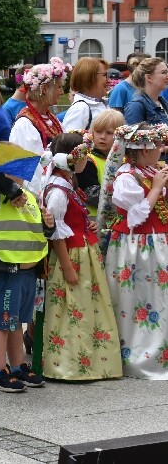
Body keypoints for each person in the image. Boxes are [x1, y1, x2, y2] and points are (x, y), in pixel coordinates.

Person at [40, 135, 122, 381]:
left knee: (85, 307)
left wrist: (89, 226)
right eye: (83, 156)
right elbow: (56, 233)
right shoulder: (57, 190)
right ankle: (70, 365)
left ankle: (93, 363)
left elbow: (71, 222)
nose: (86, 161)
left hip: (82, 251)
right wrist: (67, 267)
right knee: (72, 308)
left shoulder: (66, 183)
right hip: (72, 255)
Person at [0, 142, 54, 392]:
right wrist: (10, 188)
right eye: (15, 168)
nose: (21, 175)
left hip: (26, 267)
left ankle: (17, 365)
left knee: (17, 321)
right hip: (3, 266)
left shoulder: (27, 195)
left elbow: (38, 231)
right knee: (2, 321)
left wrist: (48, 225)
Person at [99, 123, 168, 379]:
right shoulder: (127, 176)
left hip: (155, 243)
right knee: (140, 298)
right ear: (144, 148)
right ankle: (138, 356)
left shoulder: (151, 170)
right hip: (137, 246)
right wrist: (157, 188)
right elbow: (135, 216)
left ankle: (160, 352)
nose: (161, 148)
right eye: (157, 144)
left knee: (158, 298)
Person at [10, 58, 70, 193]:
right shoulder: (25, 124)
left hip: (57, 190)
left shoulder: (52, 119)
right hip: (41, 197)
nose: (61, 92)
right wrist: (44, 198)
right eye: (58, 87)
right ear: (43, 89)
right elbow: (32, 172)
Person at [78, 109, 125, 217]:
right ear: (92, 133)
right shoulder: (87, 161)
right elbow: (91, 195)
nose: (103, 137)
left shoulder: (124, 161)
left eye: (109, 133)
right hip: (93, 222)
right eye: (98, 131)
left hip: (117, 222)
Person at [63, 58, 110, 132]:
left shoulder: (103, 103)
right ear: (89, 78)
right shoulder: (80, 109)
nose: (109, 80)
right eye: (105, 75)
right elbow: (69, 141)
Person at [124, 57, 168, 126]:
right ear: (149, 78)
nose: (167, 76)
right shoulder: (136, 106)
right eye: (164, 73)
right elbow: (132, 135)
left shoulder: (163, 102)